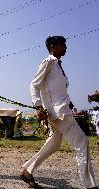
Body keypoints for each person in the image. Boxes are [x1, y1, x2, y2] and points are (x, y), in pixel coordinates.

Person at [21, 36, 97, 189]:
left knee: (54, 144)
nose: (66, 48)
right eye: (63, 45)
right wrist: (38, 106)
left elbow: (56, 90)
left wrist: (69, 101)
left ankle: (27, 170)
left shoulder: (58, 65)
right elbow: (34, 85)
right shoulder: (48, 63)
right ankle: (89, 186)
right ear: (52, 46)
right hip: (58, 112)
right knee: (82, 142)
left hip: (60, 109)